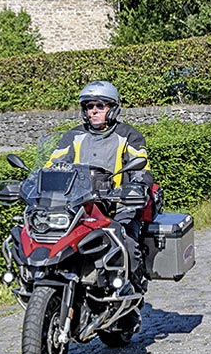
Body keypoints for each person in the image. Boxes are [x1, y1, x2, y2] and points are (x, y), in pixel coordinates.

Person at [48, 80, 153, 288]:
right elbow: (52, 165)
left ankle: (131, 289)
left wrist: (136, 187)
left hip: (117, 205)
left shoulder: (128, 135)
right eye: (89, 106)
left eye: (100, 106)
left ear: (112, 109)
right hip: (79, 207)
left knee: (126, 243)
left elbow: (141, 168)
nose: (93, 111)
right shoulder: (73, 136)